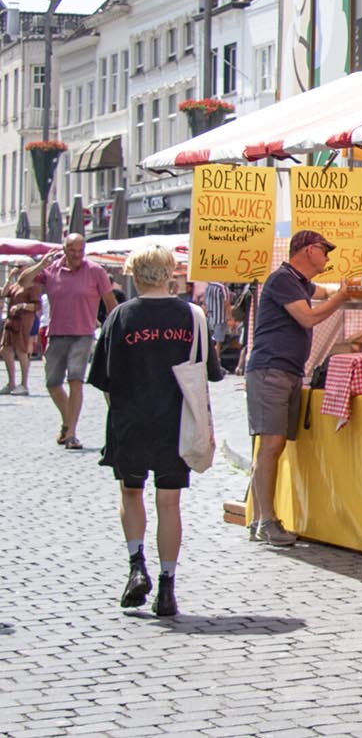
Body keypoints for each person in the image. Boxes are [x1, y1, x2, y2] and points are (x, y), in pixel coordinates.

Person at [88, 245, 219, 617]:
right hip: (175, 423)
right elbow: (209, 372)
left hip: (131, 420)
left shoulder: (120, 317)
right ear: (170, 273)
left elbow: (104, 378)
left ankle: (135, 567)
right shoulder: (191, 316)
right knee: (169, 503)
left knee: (131, 493)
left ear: (133, 273)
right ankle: (167, 587)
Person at [244, 230, 350, 546]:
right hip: (270, 370)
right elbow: (308, 317)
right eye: (324, 251)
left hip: (284, 370)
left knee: (270, 446)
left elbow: (322, 291)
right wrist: (342, 297)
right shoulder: (282, 279)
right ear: (306, 250)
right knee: (271, 445)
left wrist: (350, 288)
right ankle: (266, 521)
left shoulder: (298, 282)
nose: (328, 257)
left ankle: (259, 519)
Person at [17, 234, 118, 450]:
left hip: (83, 334)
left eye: (80, 250)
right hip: (56, 334)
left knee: (75, 380)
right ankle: (67, 421)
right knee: (52, 384)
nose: (77, 255)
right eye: (72, 250)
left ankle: (71, 434)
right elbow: (22, 282)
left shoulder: (95, 271)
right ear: (64, 249)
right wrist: (40, 265)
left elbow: (111, 303)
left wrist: (115, 328)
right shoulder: (51, 269)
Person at [1, 266, 41, 395]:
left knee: (21, 349)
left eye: (19, 266)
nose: (16, 269)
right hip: (11, 320)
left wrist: (22, 306)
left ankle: (24, 384)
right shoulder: (16, 285)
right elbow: (4, 294)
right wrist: (9, 278)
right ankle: (11, 382)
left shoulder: (33, 286)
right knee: (5, 349)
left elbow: (37, 305)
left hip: (23, 319)